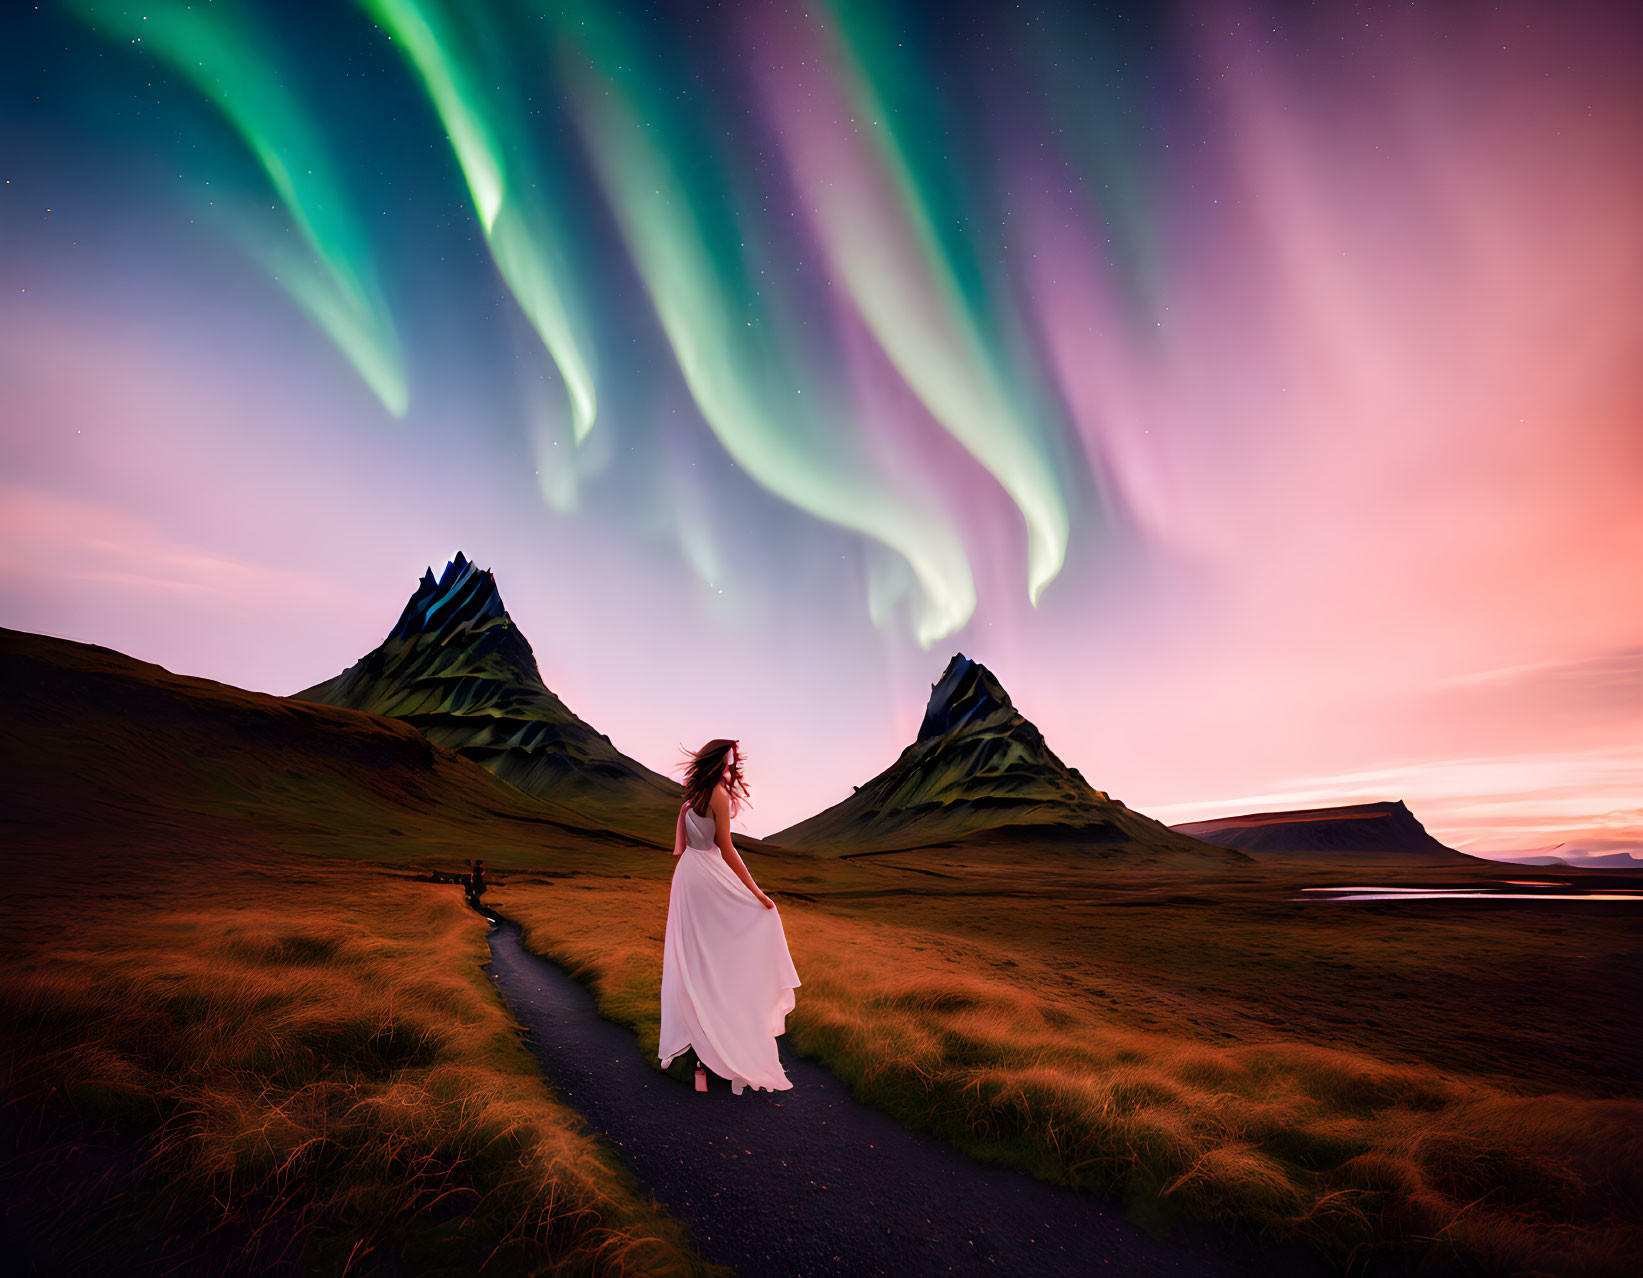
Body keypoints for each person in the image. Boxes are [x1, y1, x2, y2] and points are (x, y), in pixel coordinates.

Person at [659, 738, 800, 1095]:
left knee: (695, 965)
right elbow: (727, 849)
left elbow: (685, 849)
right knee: (719, 964)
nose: (730, 769)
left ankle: (700, 1067)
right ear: (718, 764)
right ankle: (716, 1054)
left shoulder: (691, 799)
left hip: (687, 880)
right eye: (727, 763)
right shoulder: (718, 796)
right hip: (707, 876)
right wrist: (757, 893)